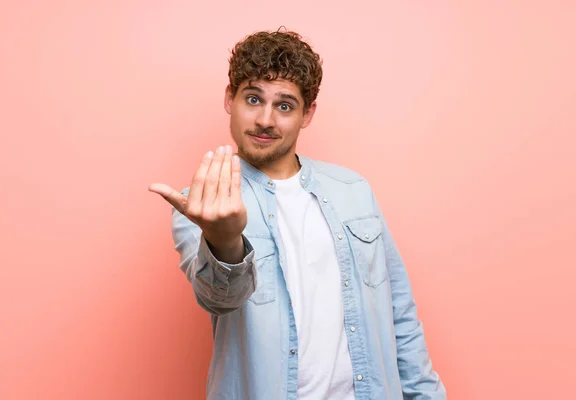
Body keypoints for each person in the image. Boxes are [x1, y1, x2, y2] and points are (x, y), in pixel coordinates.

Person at [149, 29, 446, 400]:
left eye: (285, 105)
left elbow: (399, 313)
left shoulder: (353, 191)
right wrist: (224, 241)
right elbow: (218, 300)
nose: (265, 120)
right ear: (230, 99)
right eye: (253, 99)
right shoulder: (203, 204)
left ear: (308, 114)